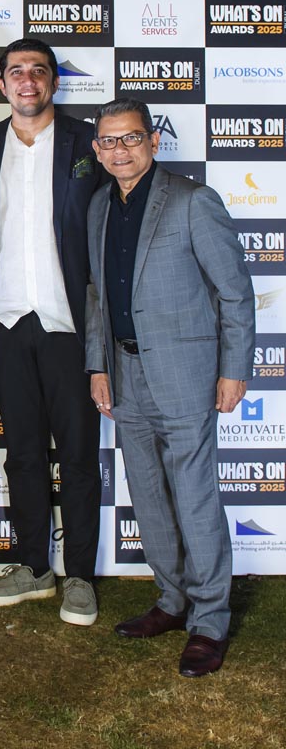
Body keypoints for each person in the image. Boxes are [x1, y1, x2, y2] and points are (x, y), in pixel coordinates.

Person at [85, 98, 254, 677]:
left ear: (153, 141)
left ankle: (210, 620)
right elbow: (97, 294)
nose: (120, 150)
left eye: (131, 138)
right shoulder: (98, 206)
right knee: (149, 494)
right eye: (109, 141)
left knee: (195, 496)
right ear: (97, 149)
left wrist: (234, 369)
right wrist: (97, 366)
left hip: (186, 372)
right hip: (124, 372)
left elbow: (234, 292)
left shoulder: (192, 201)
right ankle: (172, 599)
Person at [0, 38, 104, 626]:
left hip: (69, 324)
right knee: (21, 453)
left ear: (53, 82)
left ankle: (80, 576)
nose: (27, 81)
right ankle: (34, 567)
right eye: (16, 72)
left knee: (78, 455)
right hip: (4, 319)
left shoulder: (88, 143)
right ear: (2, 84)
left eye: (38, 71)